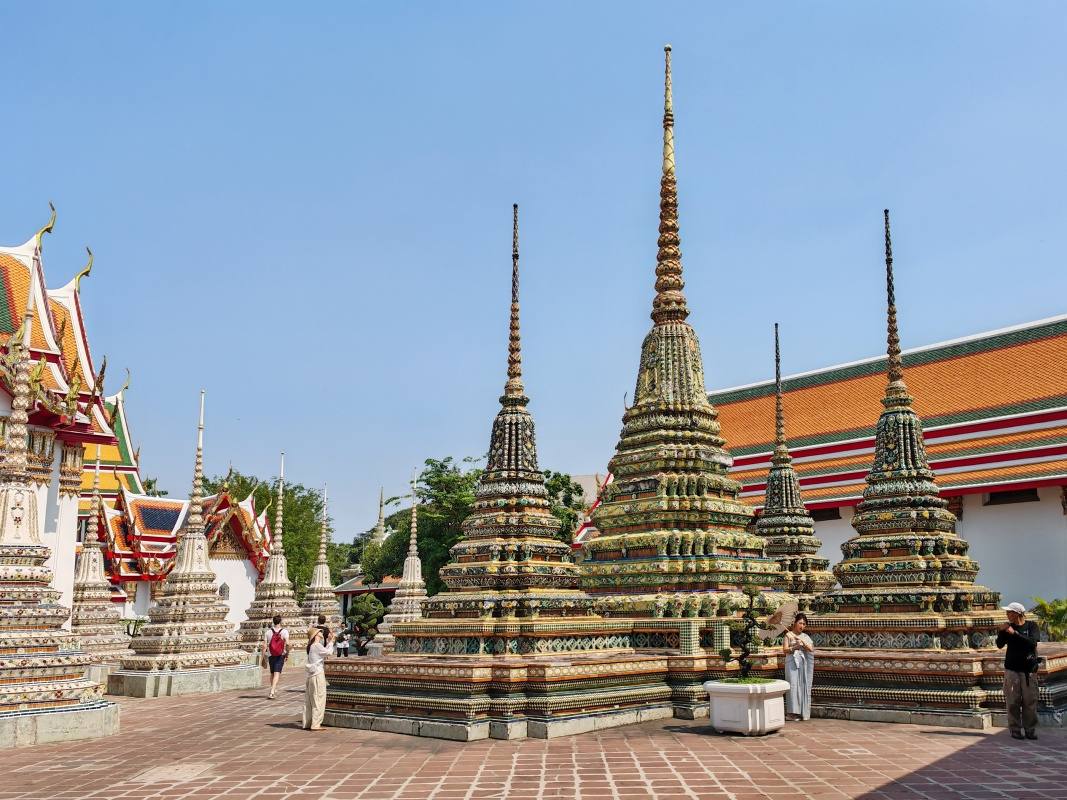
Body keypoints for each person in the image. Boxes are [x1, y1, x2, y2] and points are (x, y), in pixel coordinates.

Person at [996, 601, 1041, 740]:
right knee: (1012, 701)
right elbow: (999, 645)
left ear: (1017, 613)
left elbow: (1032, 643)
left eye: (1009, 612)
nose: (1007, 614)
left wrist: (1014, 633)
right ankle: (1015, 729)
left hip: (1028, 670)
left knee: (1030, 701)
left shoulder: (1031, 626)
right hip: (1012, 669)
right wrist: (1002, 632)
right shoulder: (1008, 627)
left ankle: (1030, 729)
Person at [783, 613, 815, 721]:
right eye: (800, 623)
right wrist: (795, 647)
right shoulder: (788, 635)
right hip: (791, 662)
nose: (802, 626)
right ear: (795, 623)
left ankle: (801, 711)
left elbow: (810, 649)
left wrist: (803, 644)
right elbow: (785, 650)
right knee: (793, 685)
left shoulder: (805, 636)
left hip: (802, 663)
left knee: (802, 685)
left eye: (804, 624)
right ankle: (792, 713)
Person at [303, 625, 335, 731]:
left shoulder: (312, 646)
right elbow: (329, 652)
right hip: (317, 675)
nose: (321, 632)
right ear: (316, 635)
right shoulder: (316, 645)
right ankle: (315, 724)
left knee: (310, 700)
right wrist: (331, 641)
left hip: (312, 676)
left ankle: (308, 722)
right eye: (319, 632)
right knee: (318, 699)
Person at [262, 614, 290, 700]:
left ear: (273, 622)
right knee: (277, 673)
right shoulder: (284, 631)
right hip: (280, 654)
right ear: (280, 621)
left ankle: (273, 688)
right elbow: (288, 644)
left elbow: (264, 646)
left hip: (271, 654)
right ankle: (272, 691)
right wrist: (287, 654)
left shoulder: (268, 632)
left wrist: (263, 657)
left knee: (272, 673)